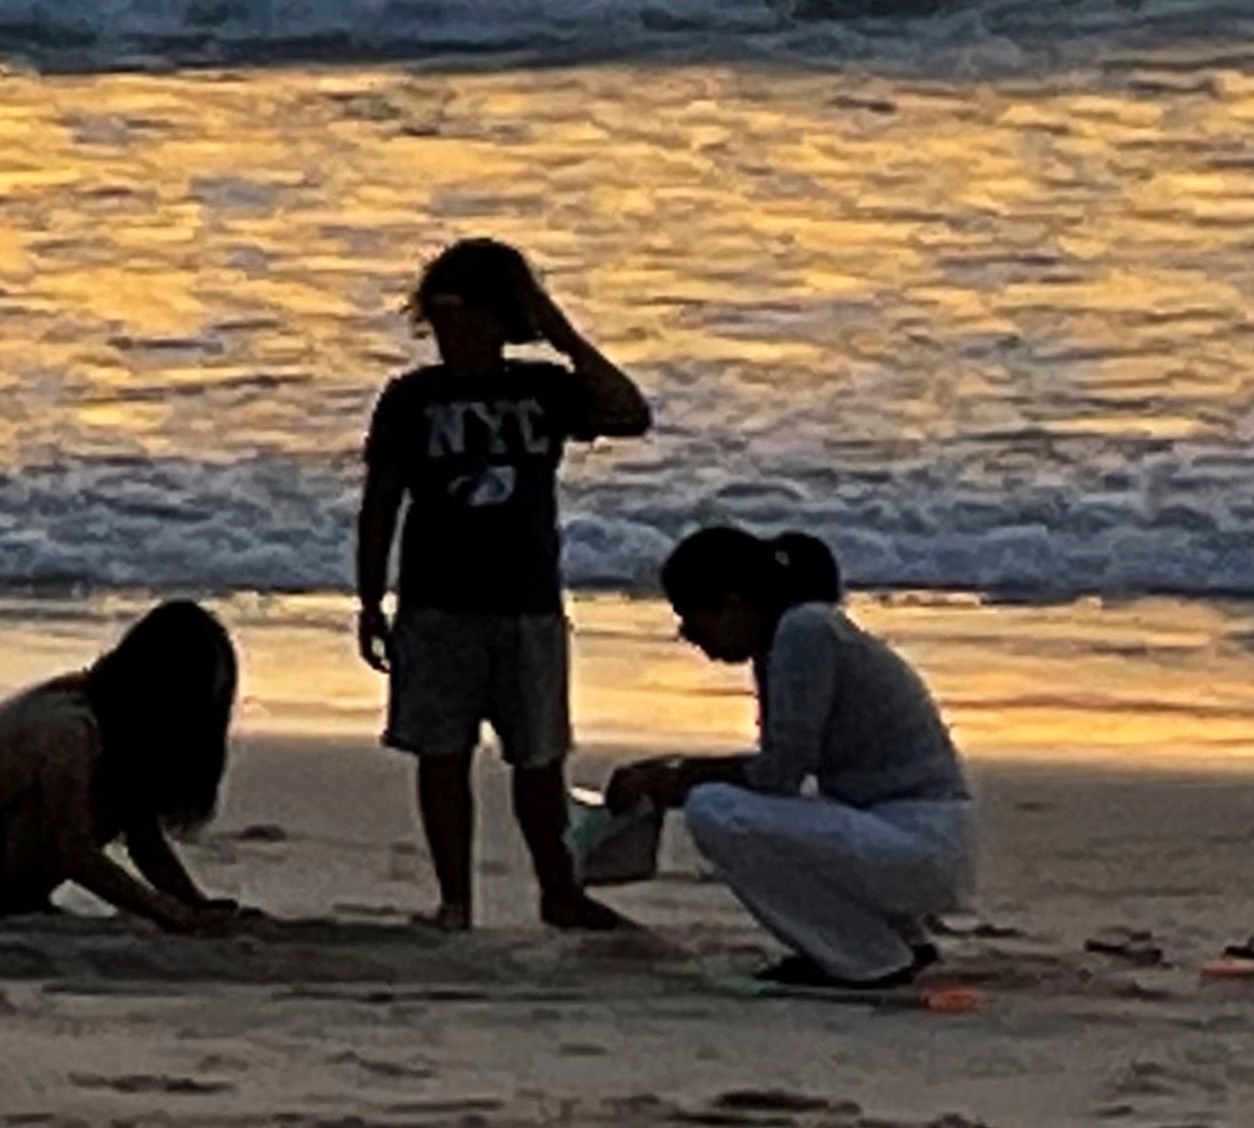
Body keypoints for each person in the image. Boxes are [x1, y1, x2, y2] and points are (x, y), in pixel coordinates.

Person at [353, 233, 652, 932]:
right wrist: (370, 600)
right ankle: (455, 900)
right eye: (444, 319)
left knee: (538, 760)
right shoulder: (411, 398)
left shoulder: (542, 390)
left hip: (527, 604)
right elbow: (381, 504)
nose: (455, 335)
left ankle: (560, 890)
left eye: (471, 318)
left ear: (503, 319)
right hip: (435, 603)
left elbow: (629, 413)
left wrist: (561, 333)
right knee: (441, 756)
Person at [604, 527, 974, 992]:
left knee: (714, 811)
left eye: (692, 617)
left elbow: (777, 774)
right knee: (742, 804)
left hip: (916, 843)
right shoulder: (787, 639)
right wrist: (673, 774)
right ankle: (897, 939)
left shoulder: (804, 631)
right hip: (909, 835)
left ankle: (865, 958)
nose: (689, 635)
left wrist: (676, 782)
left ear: (734, 603)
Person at [0, 602, 251, 931]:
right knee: (92, 805)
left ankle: (16, 897)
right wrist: (163, 911)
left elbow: (142, 834)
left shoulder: (109, 721)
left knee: (119, 799)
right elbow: (73, 851)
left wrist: (192, 902)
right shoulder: (72, 728)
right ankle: (9, 899)